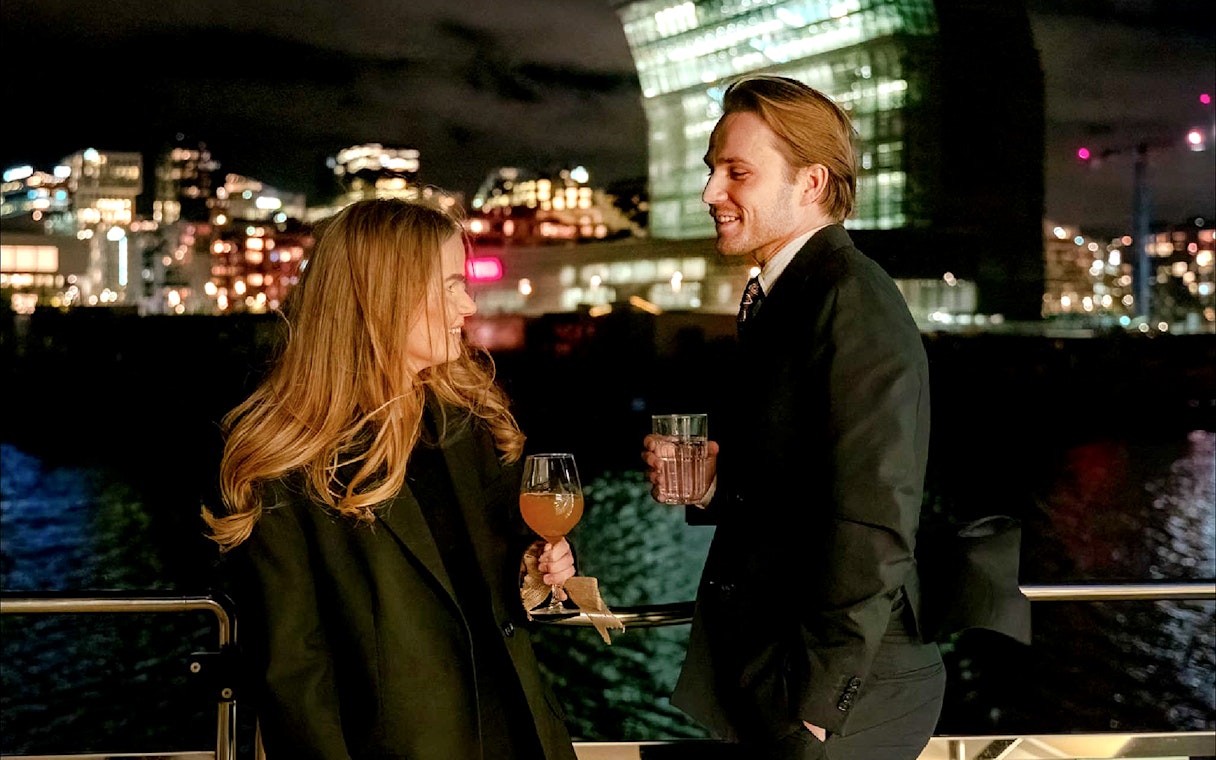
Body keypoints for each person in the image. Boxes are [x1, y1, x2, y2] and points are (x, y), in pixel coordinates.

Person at [203, 197, 578, 760]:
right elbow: (295, 680)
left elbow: (522, 555)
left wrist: (545, 565)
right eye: (451, 285)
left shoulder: (469, 421)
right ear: (386, 294)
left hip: (523, 735)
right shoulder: (284, 462)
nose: (469, 306)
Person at [642, 75, 945, 760]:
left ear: (809, 182)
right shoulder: (793, 293)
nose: (711, 193)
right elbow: (802, 489)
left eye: (736, 172)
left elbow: (875, 516)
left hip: (836, 699)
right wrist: (717, 487)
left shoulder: (850, 297)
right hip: (783, 678)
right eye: (712, 170)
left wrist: (814, 712)